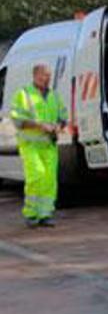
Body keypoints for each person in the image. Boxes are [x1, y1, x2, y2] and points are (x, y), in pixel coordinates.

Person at [10, 64, 67, 228]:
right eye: (44, 75)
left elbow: (63, 116)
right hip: (30, 145)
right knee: (36, 176)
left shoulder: (54, 95)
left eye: (49, 75)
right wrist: (40, 126)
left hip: (49, 144)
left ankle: (45, 214)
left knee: (49, 180)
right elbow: (18, 120)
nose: (47, 78)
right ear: (35, 75)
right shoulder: (23, 94)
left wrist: (59, 126)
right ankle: (31, 213)